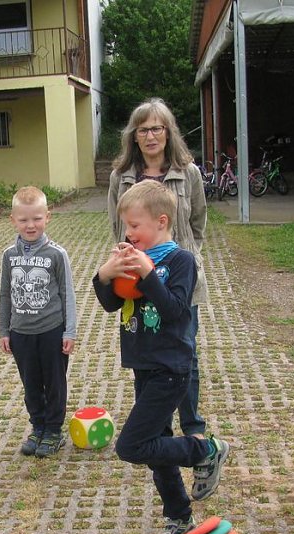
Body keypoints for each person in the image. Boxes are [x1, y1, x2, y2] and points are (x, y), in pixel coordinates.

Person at [93, 180, 228, 534]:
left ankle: (206, 450)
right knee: (156, 445)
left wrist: (149, 273)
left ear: (162, 221)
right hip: (144, 367)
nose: (128, 233)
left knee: (133, 446)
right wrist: (105, 274)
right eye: (126, 226)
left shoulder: (181, 261)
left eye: (134, 226)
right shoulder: (130, 262)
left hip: (171, 367)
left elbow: (175, 310)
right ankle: (179, 517)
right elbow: (110, 304)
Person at [107, 97, 211, 454]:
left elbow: (198, 223)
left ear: (168, 133)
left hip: (178, 274)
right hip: (137, 279)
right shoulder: (120, 177)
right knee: (150, 346)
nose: (150, 135)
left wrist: (181, 257)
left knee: (185, 349)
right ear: (133, 136)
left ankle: (193, 426)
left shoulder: (189, 173)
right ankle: (158, 425)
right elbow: (115, 226)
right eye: (143, 129)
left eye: (157, 128)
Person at [0, 186, 77, 457]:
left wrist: (70, 331)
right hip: (21, 333)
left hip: (51, 332)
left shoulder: (57, 254)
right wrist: (4, 330)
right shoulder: (9, 255)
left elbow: (67, 294)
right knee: (31, 384)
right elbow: (5, 295)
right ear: (13, 220)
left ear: (47, 218)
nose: (30, 225)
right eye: (24, 219)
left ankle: (53, 430)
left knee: (54, 383)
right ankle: (38, 426)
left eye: (36, 219)